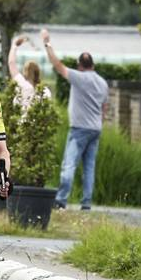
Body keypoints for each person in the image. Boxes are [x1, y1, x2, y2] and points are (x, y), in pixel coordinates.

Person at [43, 28, 108, 210]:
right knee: (89, 167)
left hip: (79, 128)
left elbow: (57, 65)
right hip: (96, 129)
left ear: (80, 66)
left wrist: (47, 43)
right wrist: (98, 124)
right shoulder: (103, 83)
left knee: (69, 165)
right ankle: (86, 203)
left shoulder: (79, 77)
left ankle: (61, 200)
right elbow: (104, 108)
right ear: (93, 65)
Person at [7, 35, 48, 111]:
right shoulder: (45, 90)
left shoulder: (21, 83)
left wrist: (14, 46)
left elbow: (11, 63)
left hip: (19, 118)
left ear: (25, 72)